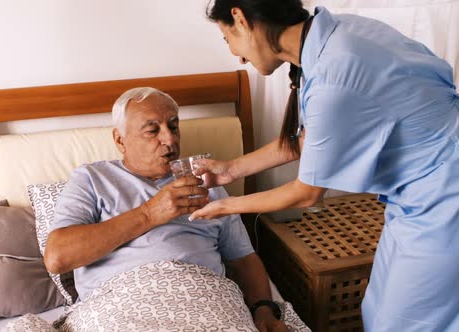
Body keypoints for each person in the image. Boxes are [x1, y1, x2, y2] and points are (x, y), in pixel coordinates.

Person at [189, 1, 459, 331]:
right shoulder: (335, 37)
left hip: (450, 196)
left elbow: (306, 194)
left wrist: (226, 205)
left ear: (240, 20)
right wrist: (231, 170)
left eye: (227, 40)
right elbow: (312, 141)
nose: (238, 56)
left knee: (411, 321)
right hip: (423, 190)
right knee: (380, 309)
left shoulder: (335, 71)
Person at [43, 87, 298, 332]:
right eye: (152, 130)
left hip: (206, 299)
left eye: (174, 127)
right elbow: (58, 256)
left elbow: (243, 258)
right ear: (120, 140)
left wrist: (263, 308)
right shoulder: (92, 178)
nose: (170, 139)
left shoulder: (206, 180)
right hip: (121, 304)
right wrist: (150, 213)